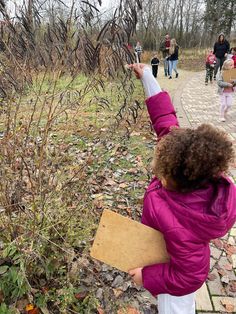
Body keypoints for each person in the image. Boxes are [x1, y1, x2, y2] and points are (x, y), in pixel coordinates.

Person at [127, 63, 236, 314]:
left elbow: (188, 278)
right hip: (162, 246)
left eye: (163, 177)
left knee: (174, 307)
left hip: (174, 278)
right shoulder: (183, 157)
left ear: (183, 184)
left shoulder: (187, 227)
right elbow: (166, 120)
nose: (159, 177)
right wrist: (147, 78)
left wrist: (147, 277)